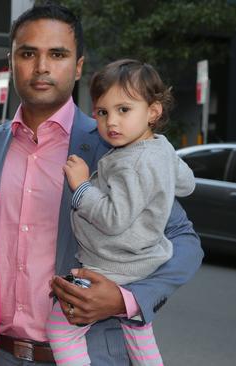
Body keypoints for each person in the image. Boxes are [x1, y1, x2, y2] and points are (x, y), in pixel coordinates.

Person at [0, 3, 203, 365]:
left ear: (78, 66)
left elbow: (184, 241)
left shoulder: (118, 149)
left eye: (57, 54)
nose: (42, 67)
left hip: (87, 353)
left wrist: (127, 300)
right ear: (11, 62)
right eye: (28, 53)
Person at [47, 59, 195, 366]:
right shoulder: (162, 149)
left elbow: (113, 218)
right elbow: (187, 184)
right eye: (103, 112)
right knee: (138, 333)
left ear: (153, 111)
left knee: (60, 330)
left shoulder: (134, 162)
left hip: (111, 266)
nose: (111, 121)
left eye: (124, 110)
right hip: (141, 261)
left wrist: (81, 185)